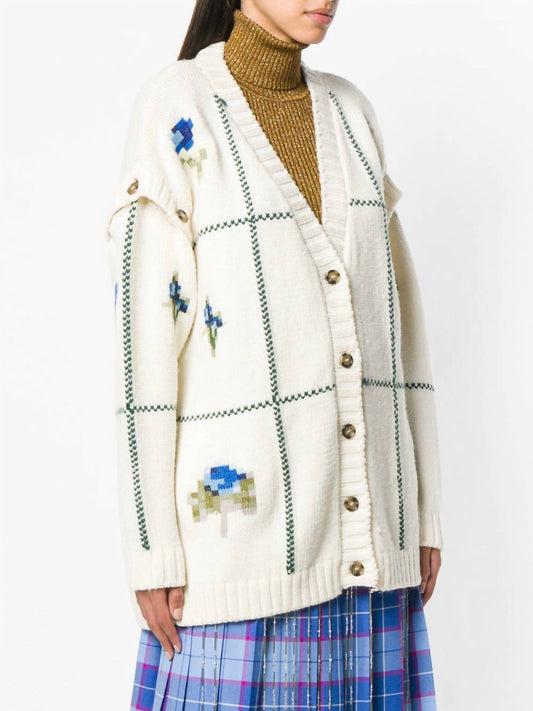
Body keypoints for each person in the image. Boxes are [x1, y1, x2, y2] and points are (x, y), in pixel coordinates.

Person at [105, 1, 444, 708]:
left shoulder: (352, 114)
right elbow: (144, 347)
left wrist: (419, 513)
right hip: (238, 564)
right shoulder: (179, 108)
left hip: (372, 561)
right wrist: (151, 548)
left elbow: (399, 329)